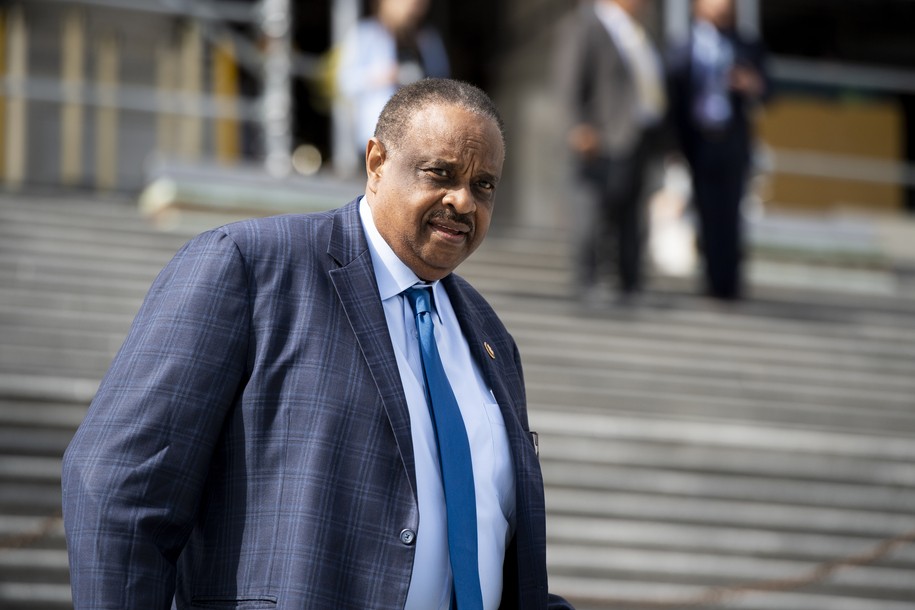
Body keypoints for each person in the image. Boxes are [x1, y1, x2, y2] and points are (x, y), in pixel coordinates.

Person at [62, 78, 574, 610]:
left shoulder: (489, 336)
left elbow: (496, 550)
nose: (463, 201)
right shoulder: (249, 268)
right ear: (376, 162)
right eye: (439, 174)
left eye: (484, 185)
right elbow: (118, 488)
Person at [554, 0, 666, 304]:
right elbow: (569, 79)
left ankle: (630, 282)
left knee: (632, 214)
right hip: (601, 137)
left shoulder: (640, 33)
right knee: (591, 210)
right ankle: (588, 279)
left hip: (639, 138)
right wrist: (578, 126)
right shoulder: (586, 23)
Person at [666, 0, 770, 301]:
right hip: (697, 141)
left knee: (732, 211)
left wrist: (752, 84)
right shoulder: (683, 46)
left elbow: (769, 89)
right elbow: (674, 95)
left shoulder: (745, 44)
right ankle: (711, 279)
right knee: (706, 211)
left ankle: (730, 282)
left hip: (732, 139)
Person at [337, 0, 450, 160]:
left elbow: (442, 81)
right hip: (377, 135)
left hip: (419, 137)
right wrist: (382, 76)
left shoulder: (427, 39)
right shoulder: (366, 33)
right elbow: (345, 81)